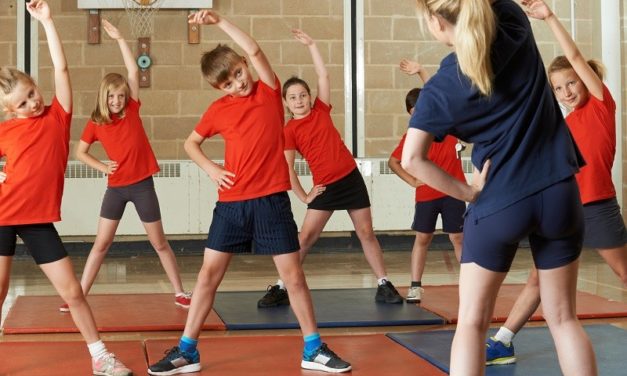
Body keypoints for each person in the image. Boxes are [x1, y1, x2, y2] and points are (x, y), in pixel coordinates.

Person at [147, 10, 351, 375]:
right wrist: (211, 169)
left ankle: (313, 348)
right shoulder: (217, 110)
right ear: (218, 89)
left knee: (293, 278)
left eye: (239, 73)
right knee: (208, 276)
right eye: (228, 83)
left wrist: (219, 21)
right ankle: (187, 350)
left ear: (244, 65)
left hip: (272, 201)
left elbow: (255, 50)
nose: (238, 84)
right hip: (231, 204)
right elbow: (191, 143)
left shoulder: (270, 92)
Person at [401, 0, 597, 375]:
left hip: (499, 202)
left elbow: (412, 159)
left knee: (472, 324)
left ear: (436, 22)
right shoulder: (513, 21)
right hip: (559, 192)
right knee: (564, 319)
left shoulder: (441, 87)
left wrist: (467, 192)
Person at [485, 0, 627, 366]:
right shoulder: (565, 124)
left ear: (586, 81)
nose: (565, 92)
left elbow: (576, 57)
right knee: (538, 279)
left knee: (624, 272)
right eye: (558, 88)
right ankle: (503, 339)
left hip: (596, 206)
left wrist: (549, 19)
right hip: (563, 208)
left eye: (570, 84)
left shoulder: (600, 104)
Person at [0, 2, 132, 375]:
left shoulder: (58, 117)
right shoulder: (6, 130)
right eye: (23, 102)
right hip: (3, 215)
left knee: (73, 292)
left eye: (31, 92)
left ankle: (100, 355)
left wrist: (47, 23)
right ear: (11, 111)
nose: (33, 101)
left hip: (38, 219)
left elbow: (61, 68)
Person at [257, 29, 402, 309]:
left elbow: (324, 76)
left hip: (350, 179)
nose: (299, 100)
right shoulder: (289, 130)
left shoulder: (321, 111)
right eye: (293, 97)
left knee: (366, 233)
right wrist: (304, 196)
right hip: (325, 186)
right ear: (286, 103)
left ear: (310, 97)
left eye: (303, 95)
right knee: (306, 238)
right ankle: (281, 285)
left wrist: (312, 45)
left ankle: (383, 282)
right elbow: (287, 167)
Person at [60, 20, 191, 313]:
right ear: (103, 97)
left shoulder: (132, 109)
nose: (117, 100)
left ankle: (180, 292)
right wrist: (102, 167)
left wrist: (119, 38)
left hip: (142, 185)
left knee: (159, 243)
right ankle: (78, 295)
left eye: (121, 95)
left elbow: (133, 72)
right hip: (116, 189)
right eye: (112, 96)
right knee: (101, 244)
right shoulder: (96, 123)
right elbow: (80, 153)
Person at [388, 58, 465, 303]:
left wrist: (422, 70)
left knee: (458, 238)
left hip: (453, 191)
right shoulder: (412, 136)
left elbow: (435, 92)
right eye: (414, 114)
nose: (419, 116)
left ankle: (469, 284)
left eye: (421, 109)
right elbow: (393, 161)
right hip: (427, 195)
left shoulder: (448, 126)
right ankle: (415, 285)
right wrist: (411, 181)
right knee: (423, 238)